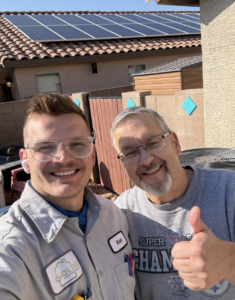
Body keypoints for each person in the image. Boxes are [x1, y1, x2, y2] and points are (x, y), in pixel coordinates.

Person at [0, 93, 135, 300]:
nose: (63, 158)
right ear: (25, 160)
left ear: (92, 154)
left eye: (77, 144)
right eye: (45, 147)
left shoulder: (113, 216)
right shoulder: (11, 249)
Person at [111, 106, 235, 300]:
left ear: (175, 144)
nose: (145, 159)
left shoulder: (229, 191)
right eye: (130, 152)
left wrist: (229, 261)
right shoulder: (120, 213)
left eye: (152, 143)